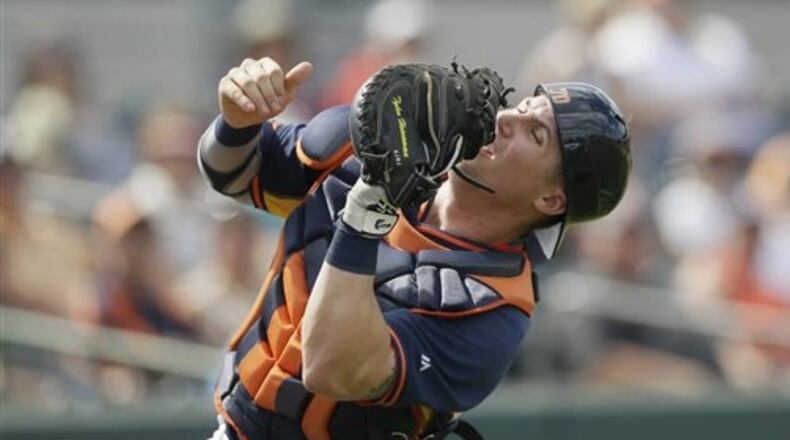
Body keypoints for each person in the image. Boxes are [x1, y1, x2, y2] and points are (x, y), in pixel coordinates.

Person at [198, 56, 630, 439]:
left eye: (535, 135)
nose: (505, 120)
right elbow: (239, 175)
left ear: (551, 200)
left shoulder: (493, 312)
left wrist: (367, 215)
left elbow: (330, 368)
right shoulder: (378, 140)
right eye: (520, 107)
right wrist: (238, 120)